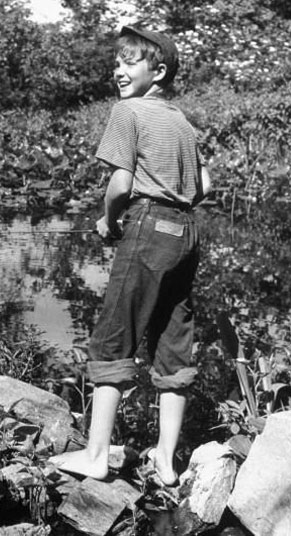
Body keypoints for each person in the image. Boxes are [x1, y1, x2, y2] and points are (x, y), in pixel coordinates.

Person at [49, 24, 211, 486]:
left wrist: (108, 220)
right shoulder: (182, 120)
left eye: (129, 62)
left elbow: (120, 185)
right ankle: (166, 460)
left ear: (157, 70)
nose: (118, 71)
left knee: (116, 333)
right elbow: (205, 186)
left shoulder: (129, 110)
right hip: (187, 232)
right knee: (172, 340)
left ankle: (96, 455)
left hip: (147, 226)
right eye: (117, 63)